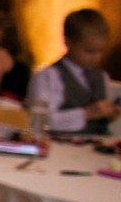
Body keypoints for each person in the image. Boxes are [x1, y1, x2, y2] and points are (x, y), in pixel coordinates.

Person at [28, 7, 119, 135]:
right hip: (60, 149)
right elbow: (42, 120)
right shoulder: (49, 76)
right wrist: (86, 114)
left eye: (100, 51)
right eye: (89, 51)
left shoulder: (102, 77)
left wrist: (109, 115)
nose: (96, 58)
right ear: (68, 42)